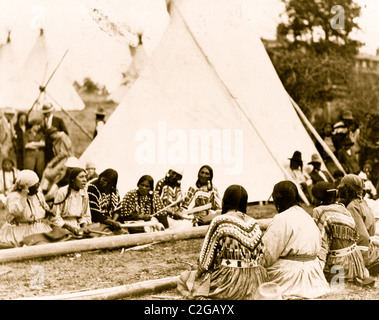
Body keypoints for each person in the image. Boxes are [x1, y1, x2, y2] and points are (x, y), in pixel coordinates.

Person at [177, 185, 269, 300]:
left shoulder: (220, 221)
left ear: (226, 199)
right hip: (257, 280)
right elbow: (261, 256)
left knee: (185, 278)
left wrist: (199, 275)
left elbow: (205, 262)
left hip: (230, 281)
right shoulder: (253, 223)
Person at [261, 180, 330, 299]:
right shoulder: (306, 216)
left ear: (278, 199)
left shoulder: (281, 219)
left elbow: (267, 256)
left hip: (290, 276)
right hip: (313, 275)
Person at [311, 181, 373, 286]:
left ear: (318, 198)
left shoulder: (319, 211)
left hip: (339, 265)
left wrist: (316, 270)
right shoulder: (343, 209)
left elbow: (321, 243)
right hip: (356, 262)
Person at [337, 174, 379, 275]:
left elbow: (362, 238)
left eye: (342, 188)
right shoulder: (363, 203)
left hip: (366, 254)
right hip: (372, 249)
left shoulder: (352, 207)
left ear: (347, 189)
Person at [0, 170, 53, 247]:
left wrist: (47, 211)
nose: (38, 186)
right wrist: (24, 195)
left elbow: (43, 206)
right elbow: (15, 212)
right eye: (35, 185)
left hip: (37, 227)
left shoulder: (38, 194)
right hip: (20, 230)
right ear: (27, 186)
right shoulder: (14, 196)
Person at [51, 167, 92, 235]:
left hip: (77, 227)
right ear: (73, 179)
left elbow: (85, 215)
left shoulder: (84, 194)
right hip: (61, 227)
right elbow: (55, 218)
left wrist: (84, 226)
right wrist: (69, 228)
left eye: (85, 177)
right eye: (81, 177)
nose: (84, 180)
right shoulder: (62, 192)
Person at [87, 168, 123, 232]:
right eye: (104, 180)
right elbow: (94, 213)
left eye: (108, 182)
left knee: (123, 232)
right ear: (100, 177)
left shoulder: (113, 190)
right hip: (97, 222)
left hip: (111, 222)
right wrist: (110, 222)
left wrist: (113, 221)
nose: (105, 183)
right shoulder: (92, 188)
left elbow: (118, 209)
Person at [40, 127, 73, 196]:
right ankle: (44, 190)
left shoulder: (62, 137)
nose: (52, 138)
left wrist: (52, 162)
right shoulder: (57, 139)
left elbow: (63, 153)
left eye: (51, 136)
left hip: (66, 161)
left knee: (50, 173)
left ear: (53, 134)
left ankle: (46, 193)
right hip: (61, 160)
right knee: (47, 172)